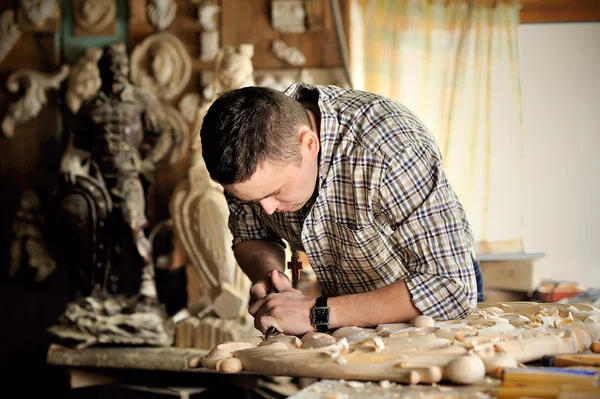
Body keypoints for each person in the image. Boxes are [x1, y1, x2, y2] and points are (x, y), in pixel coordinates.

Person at [200, 83, 484, 336]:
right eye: (253, 201)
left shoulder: (390, 149)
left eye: (275, 192)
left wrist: (314, 314)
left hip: (423, 301)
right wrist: (273, 281)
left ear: (309, 144)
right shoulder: (244, 156)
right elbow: (252, 234)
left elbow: (451, 288)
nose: (269, 210)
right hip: (339, 305)